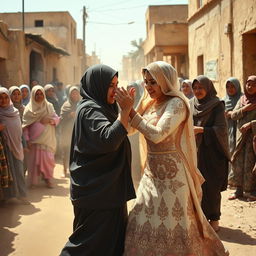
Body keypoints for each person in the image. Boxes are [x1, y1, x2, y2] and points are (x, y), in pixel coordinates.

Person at [123, 62, 228, 256]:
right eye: (146, 82)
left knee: (172, 225)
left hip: (173, 177)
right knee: (141, 218)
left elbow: (158, 134)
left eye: (153, 82)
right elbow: (129, 130)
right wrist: (128, 109)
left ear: (165, 81)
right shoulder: (148, 103)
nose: (148, 87)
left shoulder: (178, 103)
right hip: (151, 172)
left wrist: (131, 113)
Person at [60, 64, 136, 256]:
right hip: (97, 193)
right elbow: (109, 140)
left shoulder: (103, 108)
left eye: (117, 84)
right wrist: (125, 111)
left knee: (108, 245)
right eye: (111, 85)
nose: (115, 90)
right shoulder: (90, 110)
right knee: (85, 247)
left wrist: (127, 110)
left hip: (107, 190)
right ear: (98, 85)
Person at [191, 75, 230, 232]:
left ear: (208, 88)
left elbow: (221, 129)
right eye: (195, 88)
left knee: (212, 187)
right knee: (197, 186)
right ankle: (200, 219)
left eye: (201, 88)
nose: (197, 91)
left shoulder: (216, 105)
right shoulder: (191, 104)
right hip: (196, 152)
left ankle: (214, 220)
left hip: (213, 153)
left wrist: (201, 130)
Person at [22, 85, 59, 188]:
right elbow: (25, 127)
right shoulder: (28, 109)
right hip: (34, 140)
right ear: (33, 95)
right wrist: (27, 140)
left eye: (41, 94)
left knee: (48, 160)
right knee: (34, 162)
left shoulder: (49, 106)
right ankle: (33, 182)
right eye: (36, 94)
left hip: (47, 139)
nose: (39, 96)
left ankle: (48, 179)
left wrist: (50, 120)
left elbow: (57, 118)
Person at [228, 75, 256, 201]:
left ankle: (250, 191)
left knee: (249, 163)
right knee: (238, 161)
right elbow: (233, 115)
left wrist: (251, 124)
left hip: (253, 138)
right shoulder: (242, 99)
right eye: (248, 84)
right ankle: (238, 190)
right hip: (240, 137)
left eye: (254, 85)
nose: (250, 87)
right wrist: (245, 109)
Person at [0, 88, 28, 204]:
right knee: (8, 173)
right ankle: (7, 197)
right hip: (5, 149)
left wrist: (24, 144)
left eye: (6, 97)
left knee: (19, 171)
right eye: (0, 98)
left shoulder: (16, 112)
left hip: (18, 147)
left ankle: (22, 195)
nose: (3, 100)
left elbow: (20, 131)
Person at [59, 86, 80, 177]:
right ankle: (64, 169)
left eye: (76, 93)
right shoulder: (66, 105)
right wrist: (69, 115)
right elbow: (61, 118)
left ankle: (74, 170)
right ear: (70, 94)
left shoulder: (81, 104)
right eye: (73, 93)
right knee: (66, 152)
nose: (75, 95)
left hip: (78, 133)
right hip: (67, 133)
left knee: (77, 152)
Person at [223, 77, 242, 154]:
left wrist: (231, 114)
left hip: (240, 127)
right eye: (228, 87)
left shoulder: (243, 99)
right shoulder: (223, 101)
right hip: (228, 129)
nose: (230, 89)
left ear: (237, 86)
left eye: (232, 86)